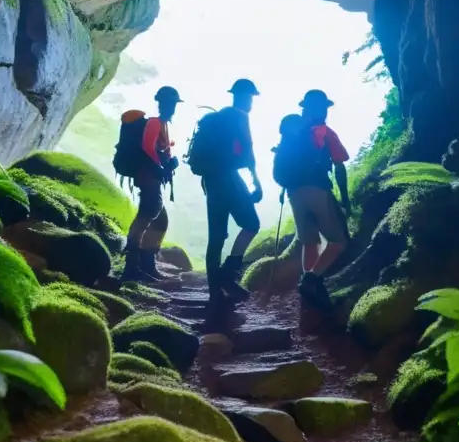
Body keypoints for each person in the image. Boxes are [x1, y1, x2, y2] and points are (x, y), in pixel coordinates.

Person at [273, 89, 351, 309]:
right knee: (339, 241)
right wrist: (345, 198)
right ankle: (311, 279)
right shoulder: (325, 132)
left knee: (310, 241)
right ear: (318, 109)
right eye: (324, 107)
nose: (326, 111)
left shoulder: (290, 134)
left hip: (294, 193)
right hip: (317, 190)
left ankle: (309, 287)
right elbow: (339, 165)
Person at [189, 78, 262, 305]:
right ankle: (227, 275)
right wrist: (256, 181)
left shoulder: (217, 118)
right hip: (229, 178)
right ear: (246, 96)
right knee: (251, 224)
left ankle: (215, 293)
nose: (251, 102)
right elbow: (248, 150)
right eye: (251, 97)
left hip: (211, 181)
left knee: (217, 237)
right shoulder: (240, 116)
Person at [120, 85, 182, 283]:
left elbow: (159, 150)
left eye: (173, 104)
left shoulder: (163, 124)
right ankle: (132, 267)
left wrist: (169, 162)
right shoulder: (155, 123)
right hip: (148, 177)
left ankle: (147, 266)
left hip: (153, 177)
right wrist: (160, 167)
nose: (171, 107)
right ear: (161, 103)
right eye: (169, 103)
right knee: (146, 216)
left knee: (159, 220)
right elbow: (147, 147)